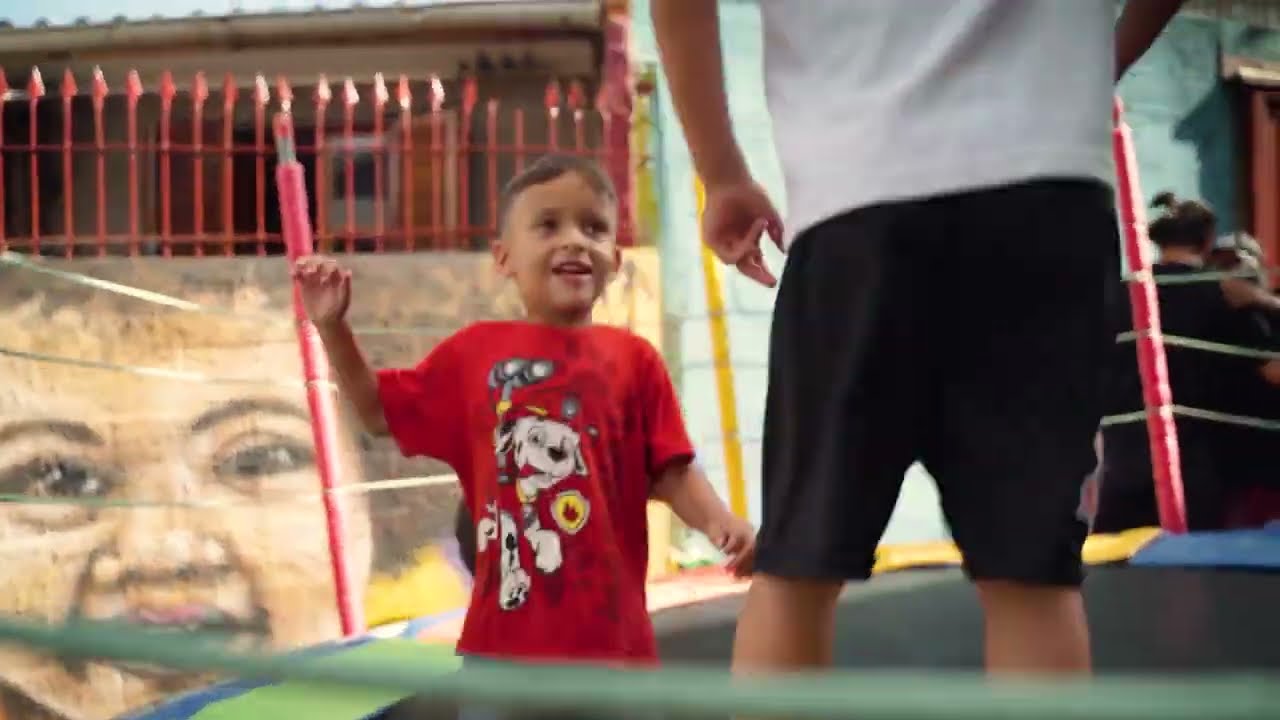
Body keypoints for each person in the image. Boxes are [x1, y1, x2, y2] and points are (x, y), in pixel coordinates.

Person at [651, 0, 1186, 677]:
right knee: (1033, 575)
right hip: (1046, 190)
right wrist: (1099, 63)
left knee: (797, 566)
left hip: (859, 195)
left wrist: (722, 173)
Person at [294, 155, 755, 683]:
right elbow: (377, 412)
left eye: (594, 227)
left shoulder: (634, 360)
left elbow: (671, 470)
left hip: (616, 654)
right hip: (503, 655)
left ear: (615, 258)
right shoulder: (473, 356)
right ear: (504, 257)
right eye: (548, 225)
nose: (575, 240)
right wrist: (332, 329)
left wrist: (723, 522)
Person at [1097, 193, 1280, 532]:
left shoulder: (1118, 294)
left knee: (1115, 572)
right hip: (1194, 471)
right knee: (1189, 574)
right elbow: (1273, 372)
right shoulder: (1223, 296)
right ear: (1208, 240)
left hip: (1124, 462)